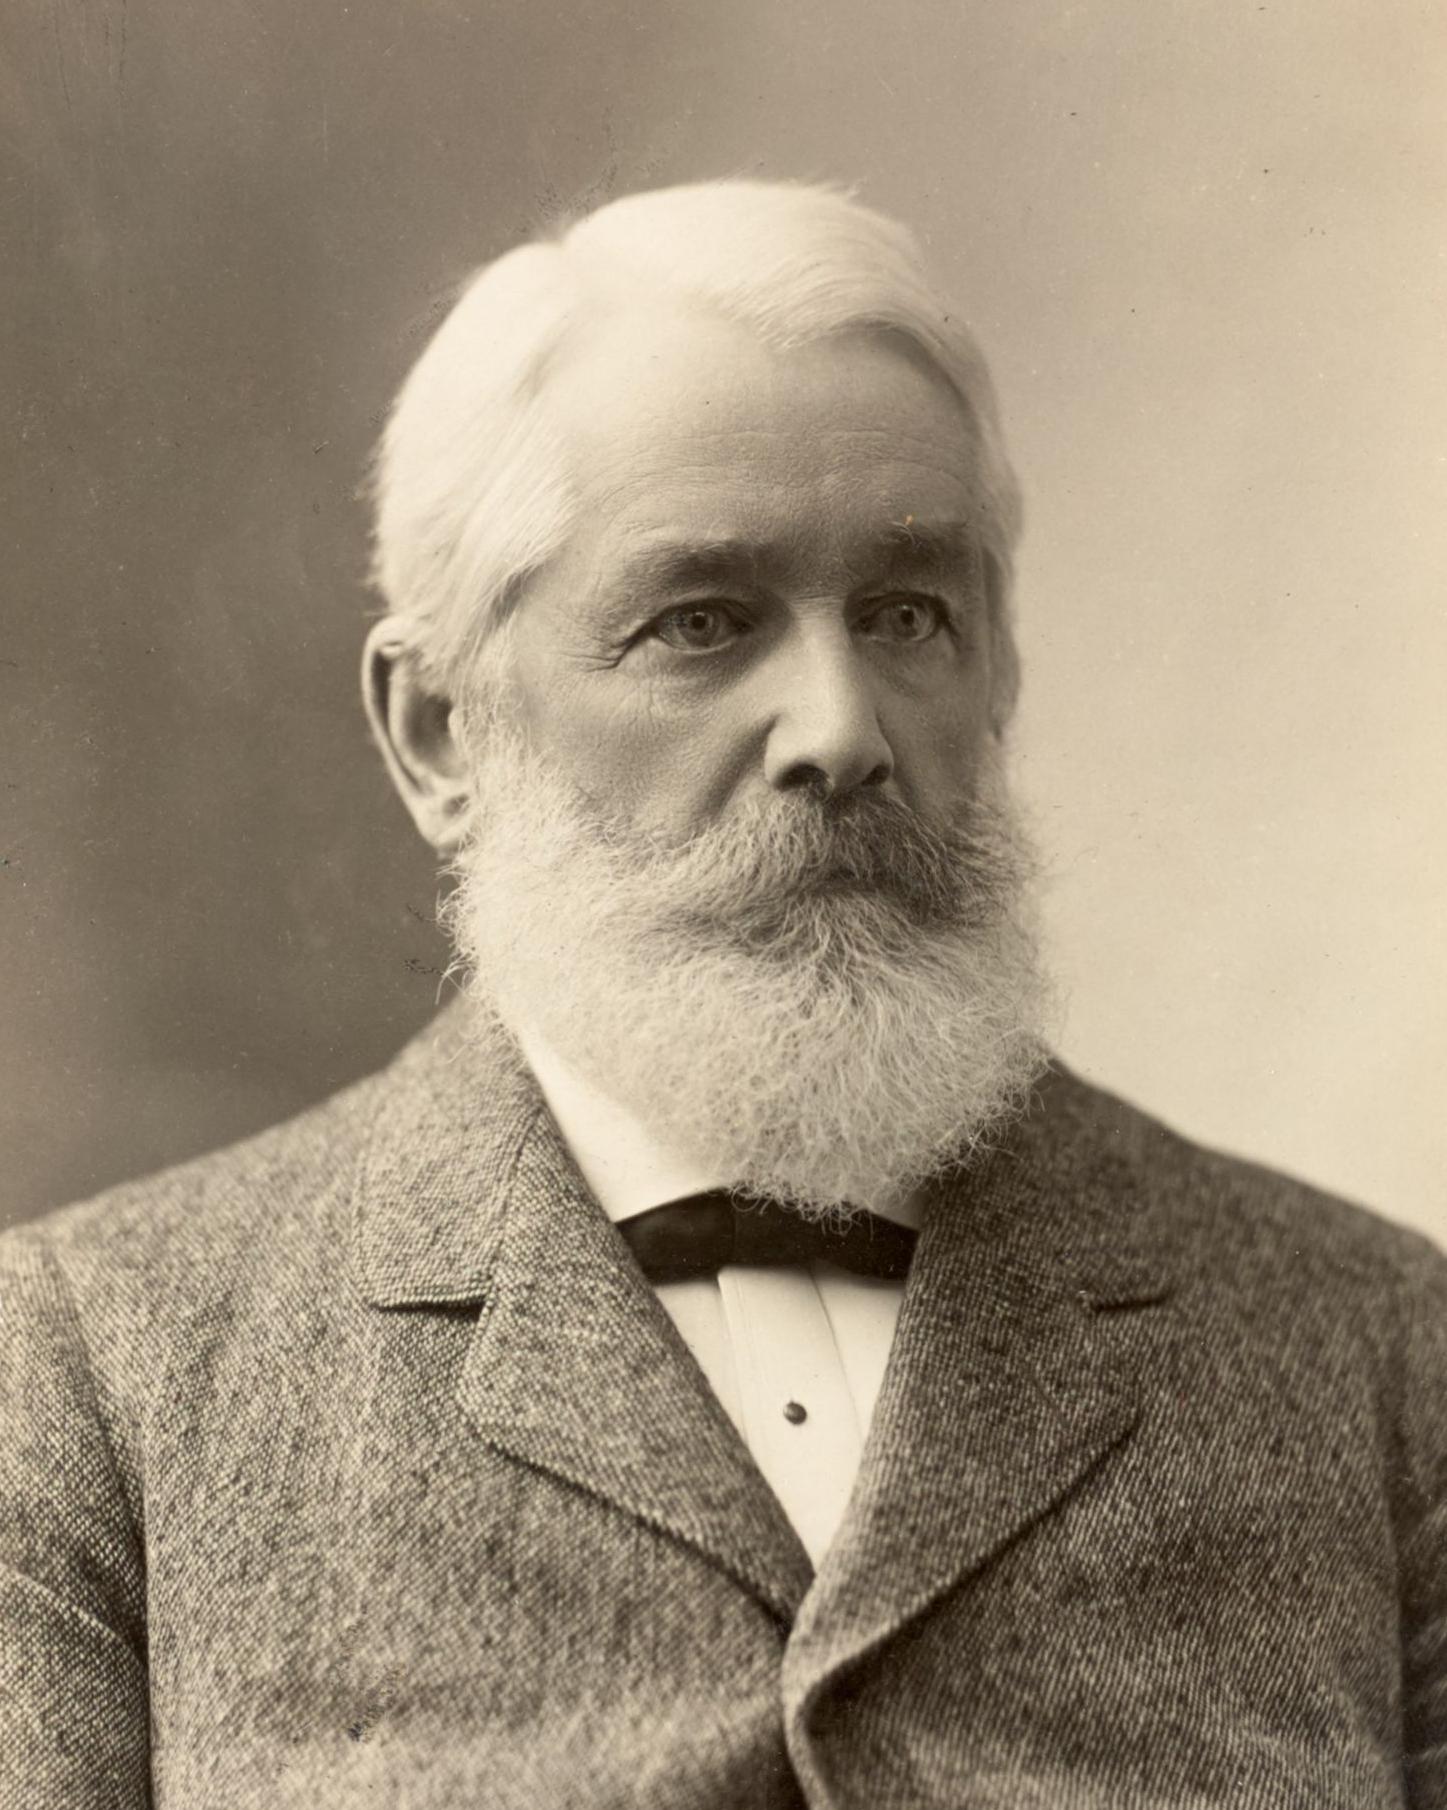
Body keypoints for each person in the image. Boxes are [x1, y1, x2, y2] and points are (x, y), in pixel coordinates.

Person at [2, 179, 1443, 1810]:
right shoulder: (84, 1378)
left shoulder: (1379, 1350)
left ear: (1003, 669)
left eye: (907, 615)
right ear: (438, 731)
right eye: (703, 622)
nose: (841, 725)